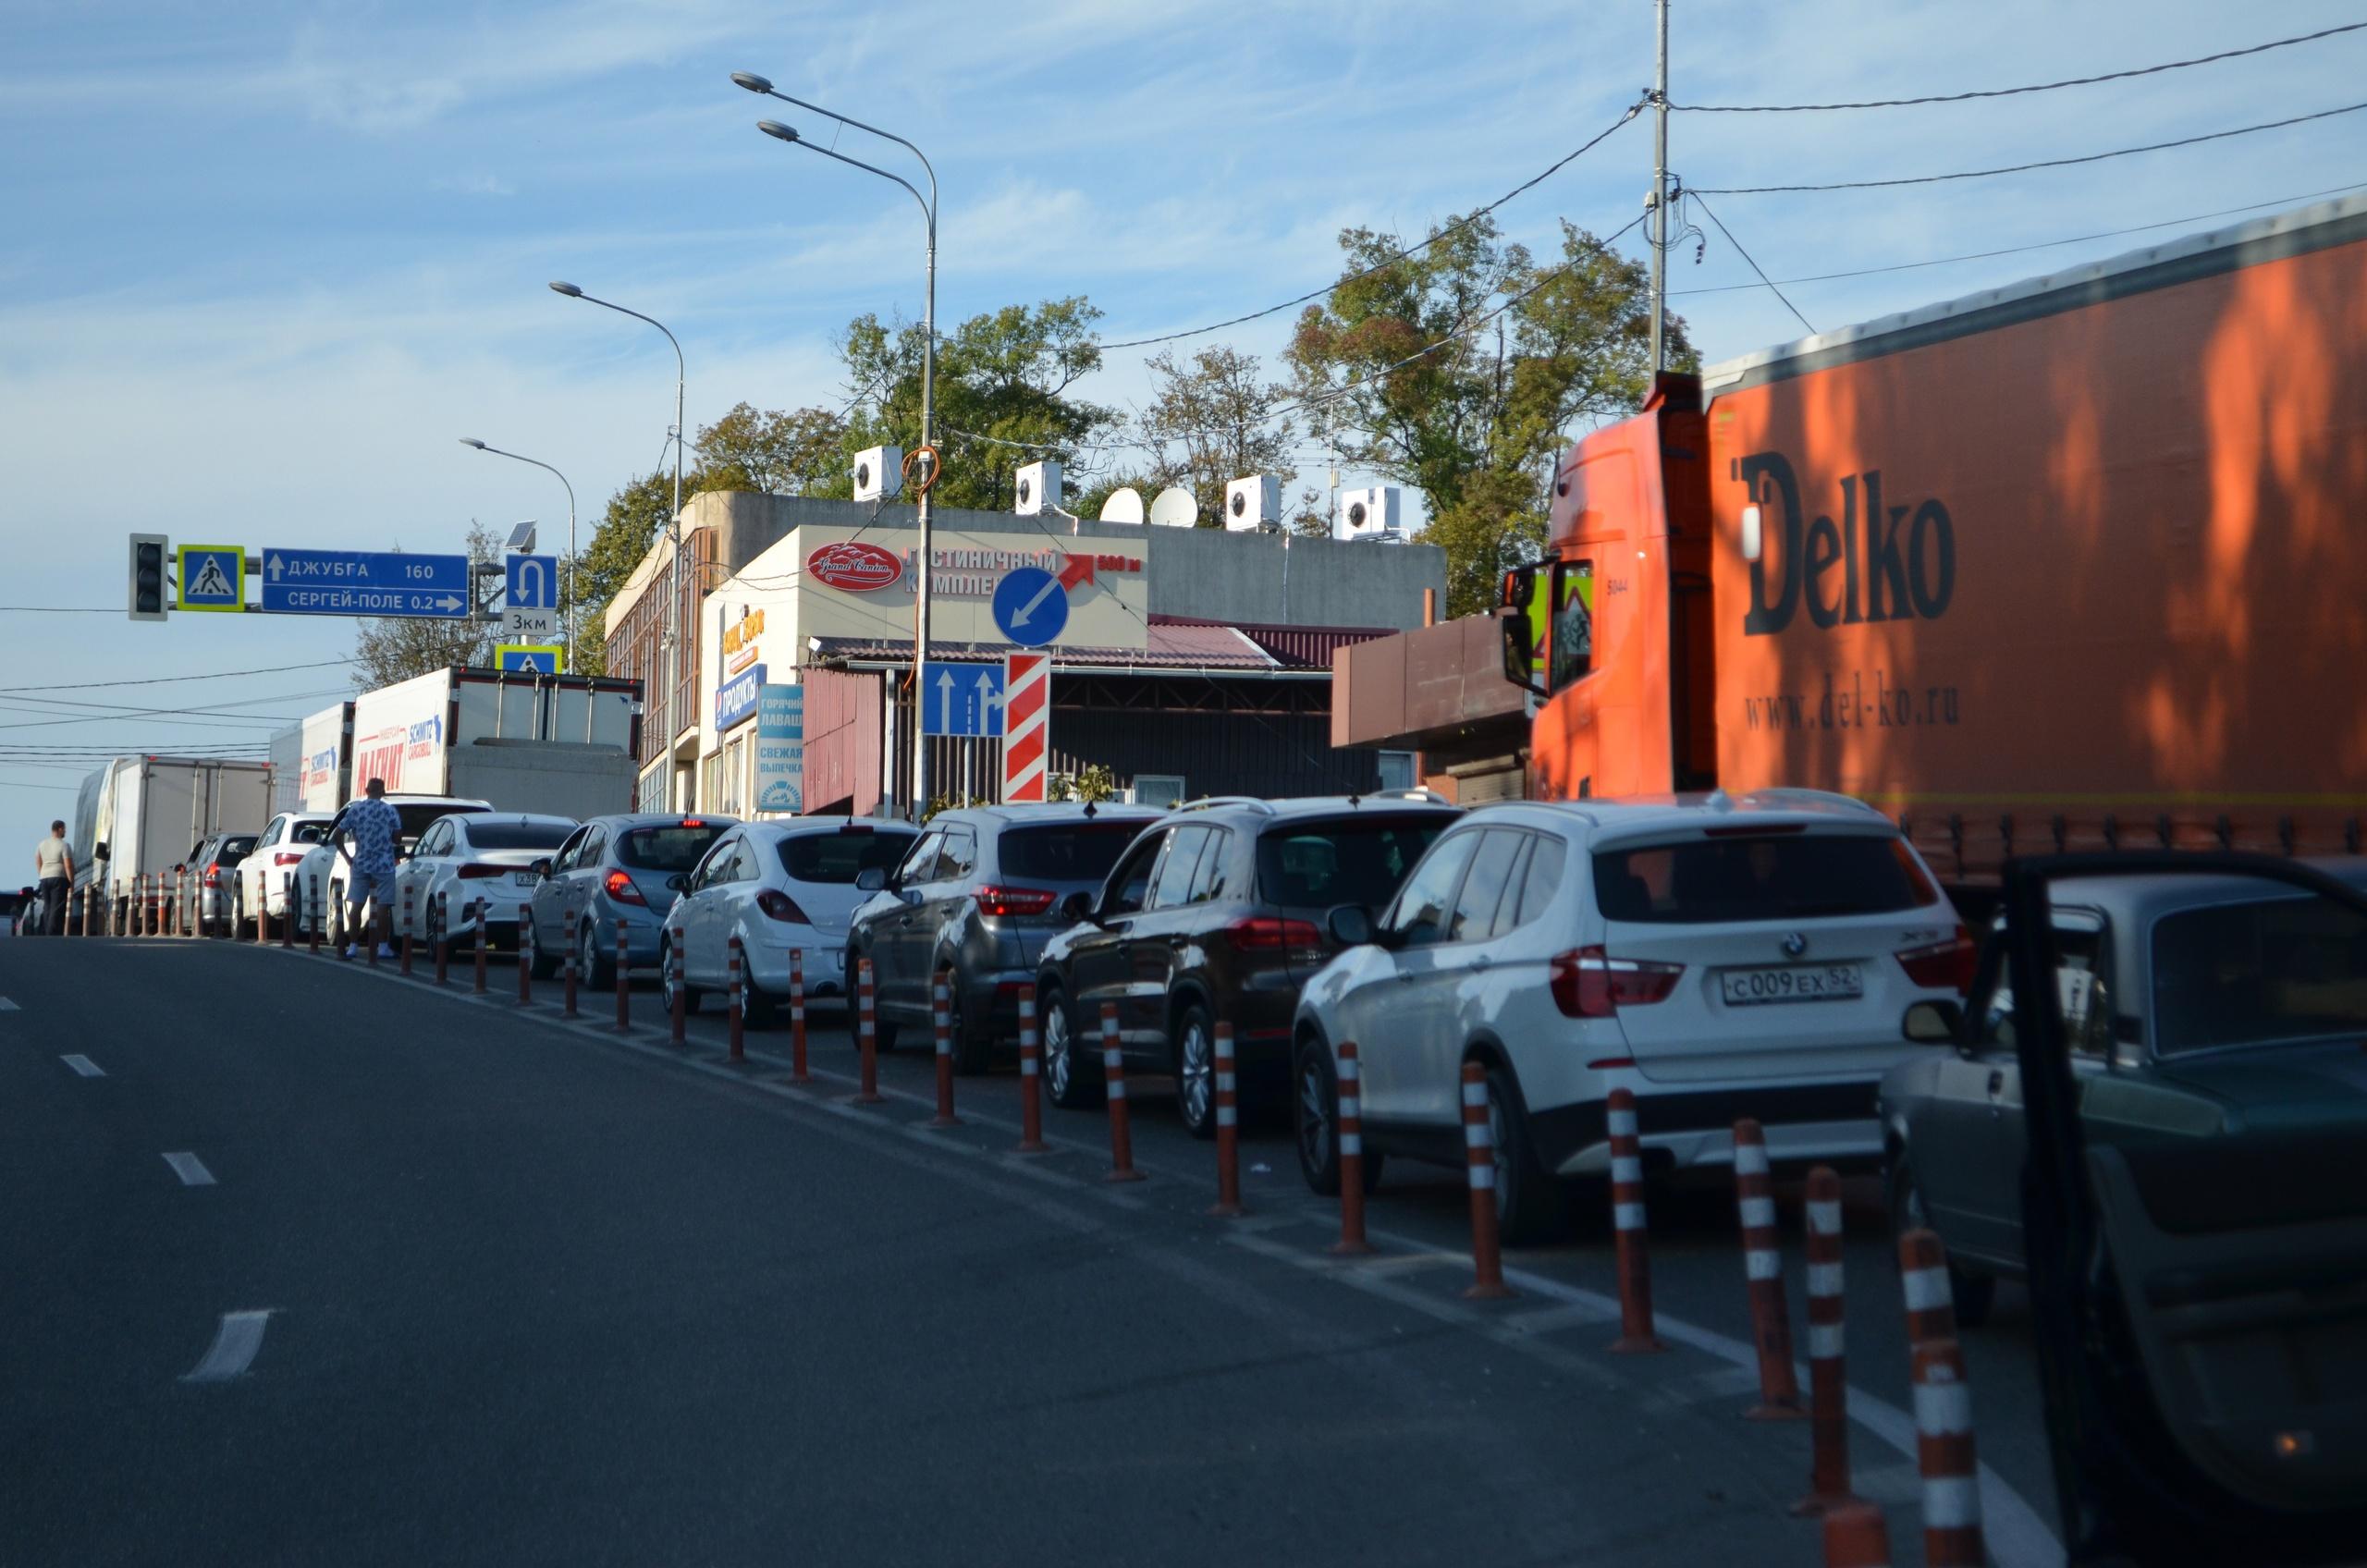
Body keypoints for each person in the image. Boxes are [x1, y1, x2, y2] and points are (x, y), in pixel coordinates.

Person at [337, 778, 402, 961]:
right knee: (383, 906)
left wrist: (348, 858)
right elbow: (397, 838)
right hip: (384, 864)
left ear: (366, 790)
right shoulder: (390, 811)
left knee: (356, 905)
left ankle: (353, 947)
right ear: (383, 791)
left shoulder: (356, 810)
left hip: (361, 863)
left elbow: (338, 835)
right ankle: (382, 947)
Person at [33, 820, 72, 936]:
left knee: (47, 906)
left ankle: (47, 931)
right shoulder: (64, 845)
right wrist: (71, 882)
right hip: (59, 877)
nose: (65, 831)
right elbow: (68, 865)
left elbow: (38, 861)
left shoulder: (41, 844)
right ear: (60, 829)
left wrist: (42, 874)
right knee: (57, 906)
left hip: (44, 877)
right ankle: (52, 933)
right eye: (64, 829)